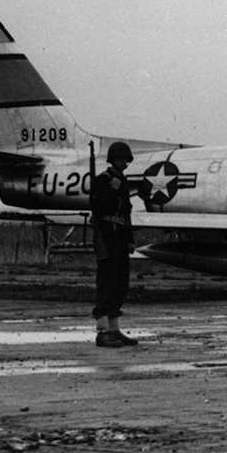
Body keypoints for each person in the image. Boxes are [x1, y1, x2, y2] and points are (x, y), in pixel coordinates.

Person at [90, 141, 140, 348]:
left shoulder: (122, 181)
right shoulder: (104, 180)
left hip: (119, 234)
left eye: (126, 158)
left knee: (120, 282)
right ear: (112, 159)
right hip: (106, 233)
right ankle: (102, 331)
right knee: (108, 280)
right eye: (120, 158)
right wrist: (112, 190)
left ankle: (114, 329)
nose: (124, 162)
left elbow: (126, 213)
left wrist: (129, 239)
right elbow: (97, 206)